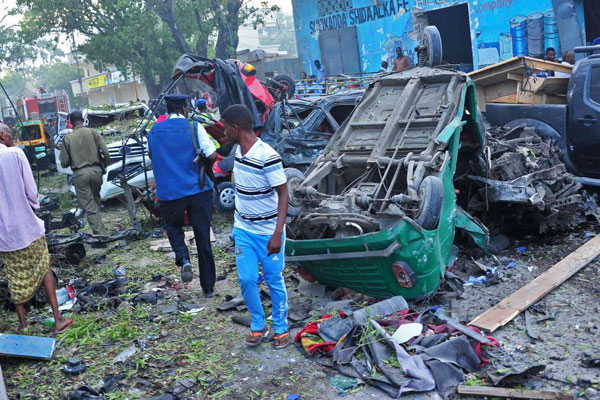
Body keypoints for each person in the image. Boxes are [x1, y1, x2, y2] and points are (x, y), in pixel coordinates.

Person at [222, 104, 290, 349]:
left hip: (269, 233)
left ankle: (281, 327)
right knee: (247, 279)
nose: (223, 133)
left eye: (225, 128)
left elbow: (284, 194)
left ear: (236, 128)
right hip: (243, 230)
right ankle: (259, 324)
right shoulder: (239, 150)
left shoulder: (267, 156)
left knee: (273, 280)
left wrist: (277, 233)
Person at [0, 123, 73, 334]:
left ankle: (23, 325)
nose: (12, 137)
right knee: (44, 267)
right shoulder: (15, 154)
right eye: (10, 134)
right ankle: (57, 318)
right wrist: (34, 206)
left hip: (4, 235)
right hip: (27, 225)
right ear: (3, 135)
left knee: (14, 276)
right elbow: (31, 191)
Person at [147, 94, 217, 297]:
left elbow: (152, 156)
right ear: (185, 108)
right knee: (203, 236)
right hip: (198, 189)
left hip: (169, 192)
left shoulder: (154, 131)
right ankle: (209, 287)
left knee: (172, 226)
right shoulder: (194, 127)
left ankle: (183, 258)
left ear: (167, 110)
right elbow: (212, 154)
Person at [59, 111, 110, 235]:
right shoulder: (93, 132)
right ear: (82, 120)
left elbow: (64, 162)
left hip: (80, 174)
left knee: (90, 206)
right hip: (96, 171)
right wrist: (104, 166)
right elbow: (106, 152)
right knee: (95, 201)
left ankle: (101, 235)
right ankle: (100, 227)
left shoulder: (68, 138)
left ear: (70, 122)